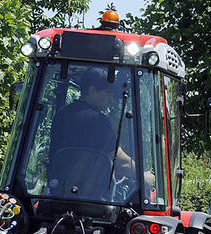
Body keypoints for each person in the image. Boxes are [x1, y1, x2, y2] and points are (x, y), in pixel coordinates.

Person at [48, 66, 148, 200]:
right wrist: (144, 176)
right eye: (108, 92)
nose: (111, 98)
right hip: (90, 199)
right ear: (92, 91)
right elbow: (122, 164)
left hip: (57, 195)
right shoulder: (97, 120)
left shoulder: (61, 115)